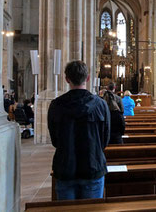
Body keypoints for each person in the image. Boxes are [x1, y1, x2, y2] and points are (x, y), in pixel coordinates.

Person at [47, 60, 111, 200]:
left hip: (65, 167)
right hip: (93, 166)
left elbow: (55, 139)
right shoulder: (101, 105)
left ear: (67, 79)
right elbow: (105, 139)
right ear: (88, 78)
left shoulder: (56, 105)